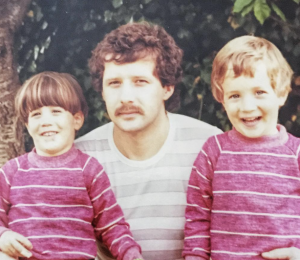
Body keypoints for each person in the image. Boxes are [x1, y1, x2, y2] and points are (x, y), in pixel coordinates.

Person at [74, 22, 222, 260]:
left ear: (167, 88)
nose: (126, 97)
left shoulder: (210, 146)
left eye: (140, 82)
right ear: (101, 91)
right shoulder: (79, 158)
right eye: (114, 83)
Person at [0, 72, 143, 260]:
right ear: (27, 125)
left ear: (77, 120)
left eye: (56, 112)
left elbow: (111, 225)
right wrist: (3, 236)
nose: (45, 121)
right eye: (36, 115)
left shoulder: (89, 170)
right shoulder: (12, 171)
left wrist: (131, 255)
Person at [183, 36, 300, 260]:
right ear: (222, 100)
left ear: (282, 94)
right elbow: (197, 217)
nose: (247, 107)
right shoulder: (213, 151)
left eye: (259, 92)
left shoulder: (296, 154)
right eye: (235, 95)